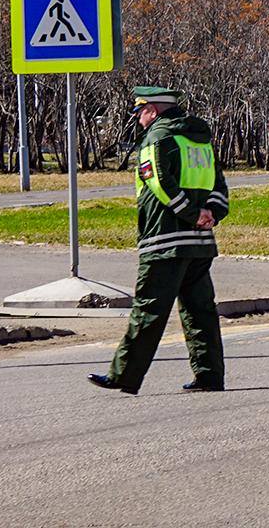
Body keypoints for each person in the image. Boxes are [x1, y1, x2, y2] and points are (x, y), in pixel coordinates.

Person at [89, 87, 231, 394]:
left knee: (149, 309)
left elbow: (157, 182)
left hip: (164, 239)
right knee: (200, 311)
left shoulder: (157, 138)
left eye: (140, 111)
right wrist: (211, 214)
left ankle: (123, 375)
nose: (138, 117)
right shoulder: (199, 138)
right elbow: (219, 183)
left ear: (152, 110)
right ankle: (209, 376)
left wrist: (191, 214)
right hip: (200, 242)